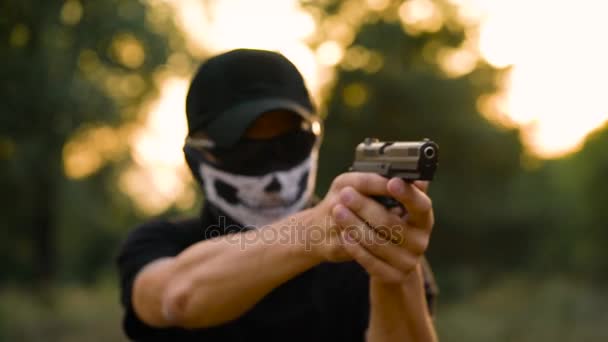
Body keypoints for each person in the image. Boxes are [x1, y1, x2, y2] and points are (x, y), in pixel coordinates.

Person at [117, 48, 439, 341]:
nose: (273, 169)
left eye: (290, 144)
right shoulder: (159, 243)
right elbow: (178, 298)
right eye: (246, 151)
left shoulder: (358, 248)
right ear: (197, 158)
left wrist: (394, 268)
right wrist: (314, 232)